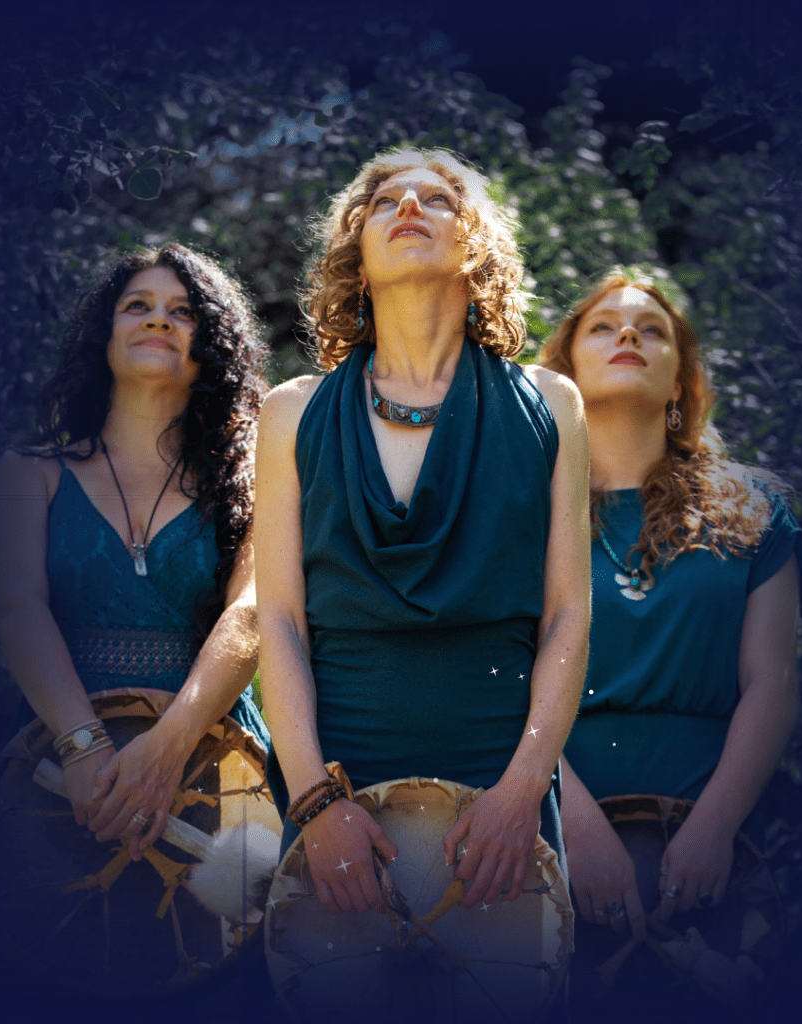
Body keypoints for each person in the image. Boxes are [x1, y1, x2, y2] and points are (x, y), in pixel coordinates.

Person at [255, 147, 591, 916]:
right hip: (336, 773)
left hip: (503, 775)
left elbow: (569, 612)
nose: (409, 206)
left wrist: (523, 790)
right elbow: (278, 621)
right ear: (357, 261)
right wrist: (312, 802)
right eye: (384, 202)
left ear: (477, 250)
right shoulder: (293, 413)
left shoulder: (552, 403)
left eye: (438, 198)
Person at [539, 270, 802, 940]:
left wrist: (713, 829)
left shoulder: (754, 511)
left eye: (652, 330)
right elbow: (496, 678)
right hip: (546, 840)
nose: (628, 332)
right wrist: (576, 830)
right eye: (602, 326)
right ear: (563, 371)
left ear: (682, 382)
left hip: (721, 851)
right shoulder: (520, 511)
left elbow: (772, 682)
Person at [0, 243, 269, 860]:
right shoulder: (25, 473)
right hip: (54, 759)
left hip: (212, 759)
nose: (158, 319)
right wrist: (83, 746)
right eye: (136, 305)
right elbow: (15, 608)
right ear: (102, 337)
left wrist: (169, 748)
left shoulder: (258, 476)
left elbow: (250, 614)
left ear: (212, 345)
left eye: (184, 311)